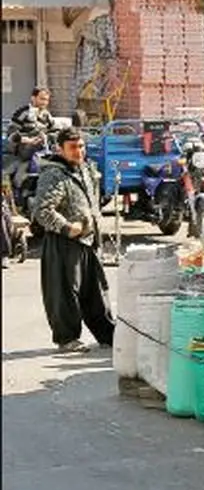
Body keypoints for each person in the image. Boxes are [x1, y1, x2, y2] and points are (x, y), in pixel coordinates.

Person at [32, 127, 115, 353]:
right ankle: (67, 338)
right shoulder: (54, 174)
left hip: (87, 240)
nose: (78, 151)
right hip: (64, 242)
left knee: (96, 291)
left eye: (81, 146)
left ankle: (109, 335)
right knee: (64, 293)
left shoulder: (85, 169)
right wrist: (68, 228)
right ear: (60, 149)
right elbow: (43, 210)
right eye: (73, 147)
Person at [6, 87, 54, 191]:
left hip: (41, 146)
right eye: (42, 99)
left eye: (46, 100)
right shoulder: (23, 113)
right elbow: (11, 134)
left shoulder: (46, 115)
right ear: (33, 98)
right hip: (24, 148)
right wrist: (28, 140)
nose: (44, 102)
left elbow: (52, 130)